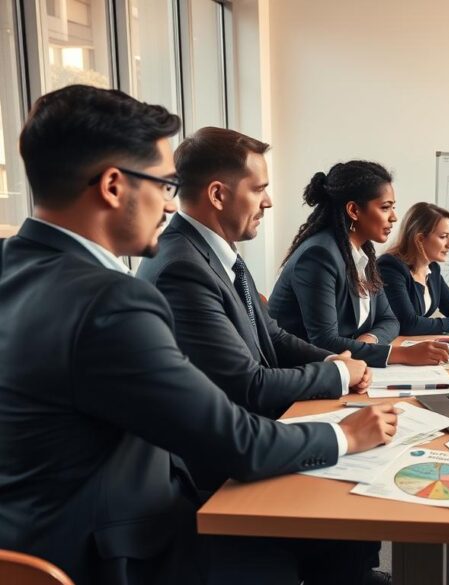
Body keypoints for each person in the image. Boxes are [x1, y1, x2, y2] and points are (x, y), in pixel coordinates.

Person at [0, 85, 397, 585]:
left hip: (30, 541)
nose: (170, 205)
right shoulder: (110, 302)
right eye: (165, 185)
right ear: (113, 186)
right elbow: (235, 442)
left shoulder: (13, 265)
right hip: (116, 553)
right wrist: (346, 433)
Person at [138, 127, 371, 422]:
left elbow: (272, 335)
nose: (268, 201)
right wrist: (336, 374)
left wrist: (330, 360)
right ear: (218, 194)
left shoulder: (218, 251)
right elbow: (246, 385)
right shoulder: (182, 270)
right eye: (258, 189)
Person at [270, 161, 449, 366]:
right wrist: (402, 355)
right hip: (301, 374)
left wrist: (369, 341)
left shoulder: (363, 253)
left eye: (393, 207)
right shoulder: (319, 256)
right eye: (385, 208)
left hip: (346, 369)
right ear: (354, 210)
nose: (394, 217)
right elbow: (324, 340)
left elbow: (390, 320)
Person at [378, 202, 449, 335]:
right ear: (420, 239)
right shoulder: (390, 267)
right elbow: (406, 323)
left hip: (414, 344)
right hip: (391, 346)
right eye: (443, 237)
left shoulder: (432, 268)